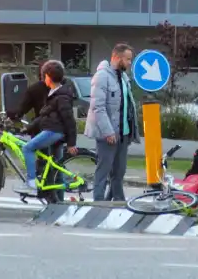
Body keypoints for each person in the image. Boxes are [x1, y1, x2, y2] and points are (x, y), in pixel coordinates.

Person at [85, 43, 138, 202]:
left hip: (123, 133)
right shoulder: (102, 76)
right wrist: (108, 132)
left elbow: (127, 105)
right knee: (104, 170)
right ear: (116, 57)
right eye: (127, 59)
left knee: (119, 172)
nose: (130, 63)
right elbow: (98, 107)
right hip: (108, 134)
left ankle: (116, 200)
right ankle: (99, 202)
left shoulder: (123, 77)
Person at [15, 60, 77, 193]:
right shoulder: (55, 93)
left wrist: (72, 143)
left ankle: (30, 182)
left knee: (27, 148)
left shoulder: (61, 96)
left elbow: (69, 120)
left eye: (44, 77)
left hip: (54, 131)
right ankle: (55, 198)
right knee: (55, 165)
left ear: (48, 77)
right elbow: (44, 116)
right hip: (51, 130)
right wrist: (28, 128)